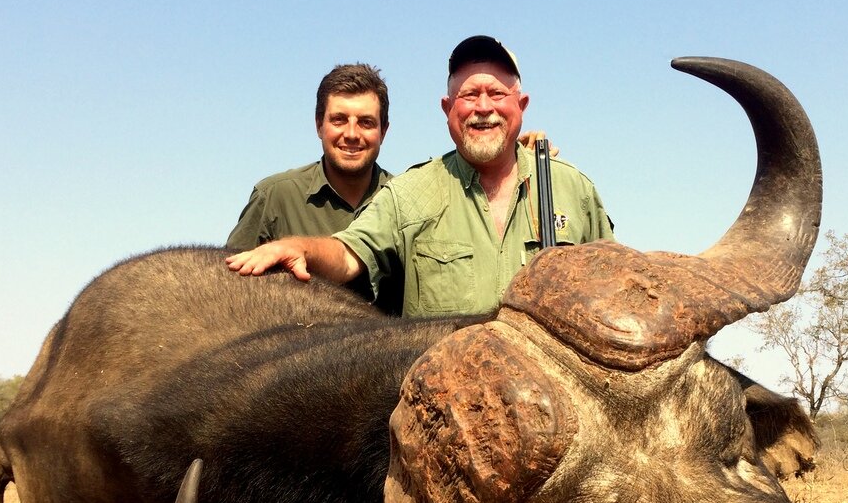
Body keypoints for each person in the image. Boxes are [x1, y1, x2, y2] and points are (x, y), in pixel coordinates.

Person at [226, 36, 614, 318]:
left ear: (521, 105)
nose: (482, 108)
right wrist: (302, 249)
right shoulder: (410, 192)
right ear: (447, 109)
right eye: (468, 95)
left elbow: (615, 293)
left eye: (496, 94)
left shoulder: (572, 189)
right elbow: (348, 254)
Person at [226, 63, 393, 251]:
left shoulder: (404, 201)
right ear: (319, 125)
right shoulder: (273, 197)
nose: (352, 134)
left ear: (383, 132)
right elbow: (227, 276)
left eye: (366, 122)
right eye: (339, 120)